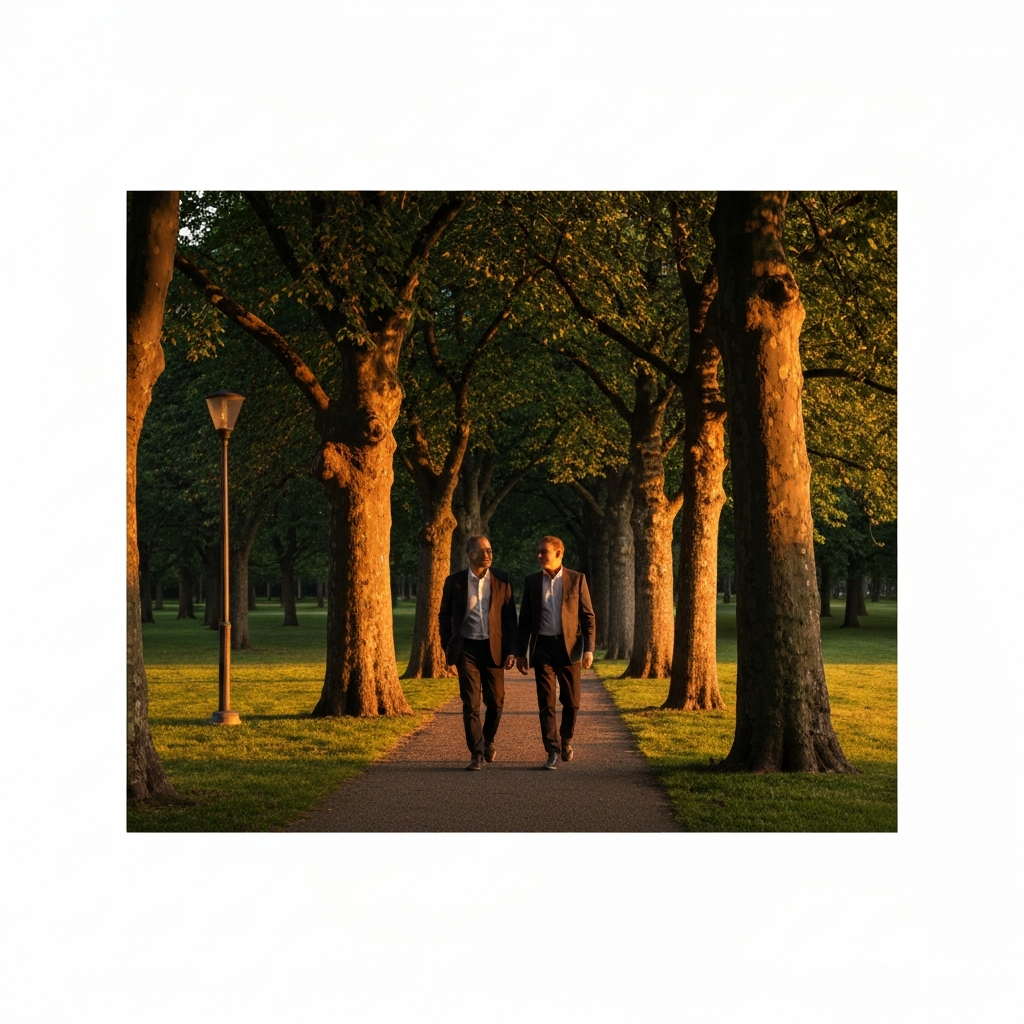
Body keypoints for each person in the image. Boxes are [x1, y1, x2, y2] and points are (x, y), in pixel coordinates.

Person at [439, 535, 518, 770]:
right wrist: (447, 643)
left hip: (494, 649)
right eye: (482, 551)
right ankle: (476, 752)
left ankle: (488, 740)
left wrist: (512, 650)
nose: (488, 555)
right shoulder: (455, 581)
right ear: (470, 554)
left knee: (496, 702)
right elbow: (444, 615)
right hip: (467, 649)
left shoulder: (502, 579)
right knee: (470, 703)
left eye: (490, 550)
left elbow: (509, 617)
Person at [516, 535, 596, 769]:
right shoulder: (531, 582)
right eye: (538, 551)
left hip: (570, 648)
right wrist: (522, 653)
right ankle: (551, 750)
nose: (539, 556)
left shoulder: (577, 579)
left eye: (544, 552)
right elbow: (525, 620)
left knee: (571, 702)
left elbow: (588, 616)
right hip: (542, 648)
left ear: (559, 554)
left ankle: (566, 739)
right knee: (546, 701)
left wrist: (589, 648)